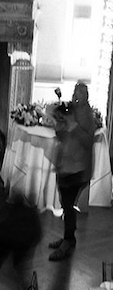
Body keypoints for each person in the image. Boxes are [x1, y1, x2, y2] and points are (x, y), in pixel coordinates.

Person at [49, 81, 95, 260]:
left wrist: (74, 127)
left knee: (68, 206)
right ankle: (68, 238)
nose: (76, 95)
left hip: (77, 169)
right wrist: (59, 124)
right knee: (65, 204)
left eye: (80, 93)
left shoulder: (87, 115)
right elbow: (62, 134)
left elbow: (88, 141)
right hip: (64, 166)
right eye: (75, 92)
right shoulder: (71, 110)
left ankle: (68, 240)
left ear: (86, 96)